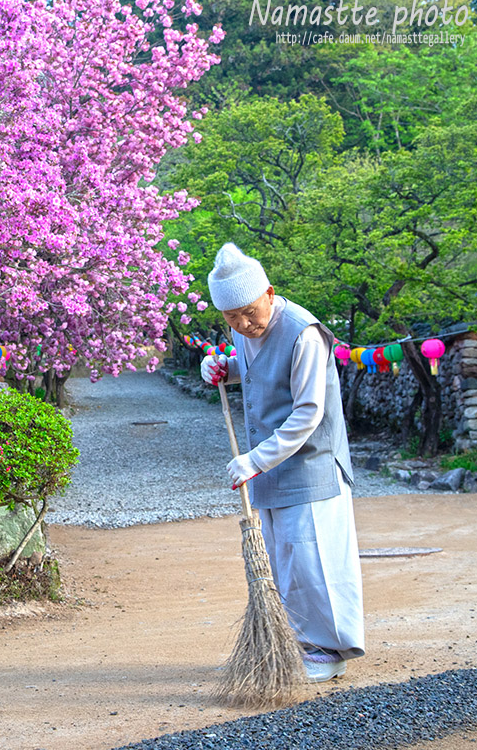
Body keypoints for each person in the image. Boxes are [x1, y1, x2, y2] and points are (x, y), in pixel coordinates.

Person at [199, 243, 365, 683]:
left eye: (249, 313)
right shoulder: (244, 330)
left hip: (311, 464)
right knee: (284, 561)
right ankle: (297, 643)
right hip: (272, 465)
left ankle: (329, 649)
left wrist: (254, 459)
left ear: (269, 293)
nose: (243, 324)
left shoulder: (303, 333)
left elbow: (308, 411)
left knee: (312, 560)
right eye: (231, 317)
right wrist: (224, 368)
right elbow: (257, 369)